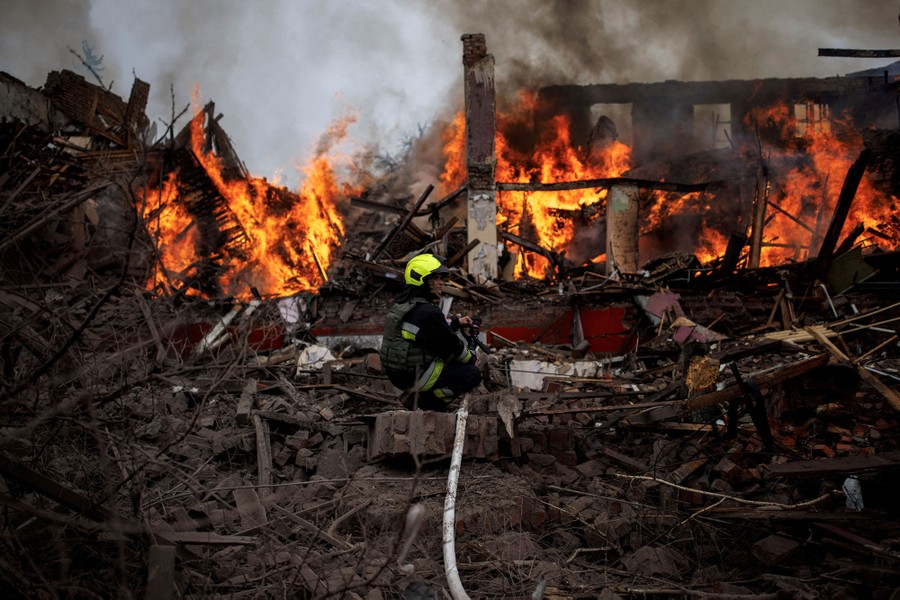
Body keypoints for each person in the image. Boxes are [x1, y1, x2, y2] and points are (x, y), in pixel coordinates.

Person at [380, 253, 481, 411]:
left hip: (398, 376)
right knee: (472, 374)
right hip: (415, 378)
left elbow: (430, 331)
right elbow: (452, 347)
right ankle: (430, 403)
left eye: (441, 278)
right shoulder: (428, 312)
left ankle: (420, 397)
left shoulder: (404, 305)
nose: (441, 283)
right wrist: (471, 358)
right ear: (421, 279)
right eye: (435, 278)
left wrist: (455, 323)